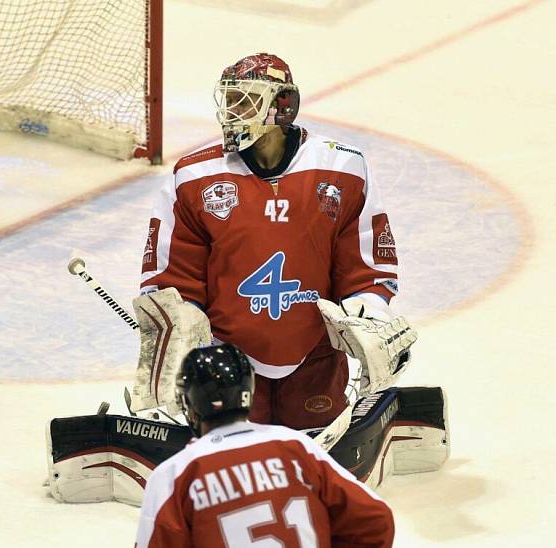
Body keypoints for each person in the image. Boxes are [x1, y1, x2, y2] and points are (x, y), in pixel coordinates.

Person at [129, 52, 416, 432]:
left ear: (282, 106)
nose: (232, 111)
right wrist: (176, 329)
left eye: (245, 100)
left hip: (316, 355)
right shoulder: (193, 176)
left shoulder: (342, 168)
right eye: (229, 100)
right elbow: (171, 277)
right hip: (227, 362)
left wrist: (368, 314)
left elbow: (368, 266)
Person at [134, 343, 395, 548]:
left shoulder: (174, 475)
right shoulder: (295, 446)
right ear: (248, 393)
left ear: (189, 405)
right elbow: (376, 520)